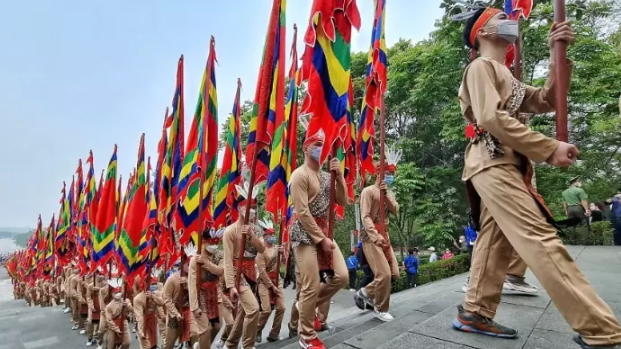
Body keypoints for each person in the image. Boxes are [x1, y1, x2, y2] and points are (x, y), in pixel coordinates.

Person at [453, 5, 621, 348]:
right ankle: (602, 330)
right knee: (539, 237)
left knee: (495, 238)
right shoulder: (480, 67)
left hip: (502, 163)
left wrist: (558, 55)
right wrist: (547, 147)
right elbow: (491, 117)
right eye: (502, 17)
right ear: (483, 32)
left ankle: (474, 311)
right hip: (493, 159)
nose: (511, 21)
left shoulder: (506, 76)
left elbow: (547, 100)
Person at [288, 129, 349, 349]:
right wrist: (320, 239)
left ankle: (303, 305)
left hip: (325, 231)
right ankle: (306, 335)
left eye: (324, 144)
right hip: (304, 234)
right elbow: (302, 212)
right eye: (317, 144)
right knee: (311, 284)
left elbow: (343, 201)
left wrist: (339, 176)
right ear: (306, 147)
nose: (321, 148)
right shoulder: (299, 175)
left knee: (341, 276)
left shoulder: (326, 175)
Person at [357, 146, 401, 322]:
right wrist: (375, 235)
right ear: (378, 174)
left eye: (392, 174)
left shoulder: (388, 192)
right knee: (384, 274)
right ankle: (381, 308)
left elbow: (395, 209)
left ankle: (366, 292)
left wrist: (385, 195)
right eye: (388, 173)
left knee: (394, 273)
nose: (390, 177)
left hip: (386, 234)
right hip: (371, 237)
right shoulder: (368, 192)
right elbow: (365, 216)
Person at [222, 181, 265, 349]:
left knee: (242, 313)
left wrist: (252, 236)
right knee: (253, 309)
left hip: (252, 273)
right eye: (248, 206)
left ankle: (230, 344)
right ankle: (248, 345)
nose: (252, 210)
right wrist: (231, 285)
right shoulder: (230, 231)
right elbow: (227, 260)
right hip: (237, 273)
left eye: (254, 206)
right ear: (240, 207)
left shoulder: (257, 229)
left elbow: (261, 249)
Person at [189, 227, 225, 349]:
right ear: (204, 241)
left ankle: (202, 345)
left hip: (215, 294)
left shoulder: (220, 255)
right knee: (205, 329)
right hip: (201, 295)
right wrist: (194, 307)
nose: (214, 245)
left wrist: (207, 264)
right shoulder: (195, 260)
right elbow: (192, 284)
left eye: (216, 241)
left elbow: (221, 271)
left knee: (218, 326)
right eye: (211, 241)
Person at [255, 218, 285, 344]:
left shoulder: (277, 247)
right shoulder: (261, 250)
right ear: (265, 236)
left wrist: (282, 254)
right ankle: (257, 329)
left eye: (273, 234)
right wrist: (271, 286)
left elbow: (282, 264)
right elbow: (261, 271)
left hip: (277, 279)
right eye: (270, 235)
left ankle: (274, 333)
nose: (272, 237)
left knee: (281, 308)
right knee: (266, 310)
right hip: (264, 282)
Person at [162, 257, 191, 349]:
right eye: (188, 264)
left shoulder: (195, 278)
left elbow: (200, 294)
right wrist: (175, 313)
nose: (190, 266)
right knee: (169, 344)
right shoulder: (172, 279)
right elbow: (166, 298)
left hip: (190, 313)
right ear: (182, 265)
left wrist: (189, 283)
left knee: (193, 341)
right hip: (175, 314)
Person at [134, 269, 165, 349]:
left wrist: (152, 296)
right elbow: (140, 317)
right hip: (143, 323)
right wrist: (141, 331)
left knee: (153, 345)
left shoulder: (154, 293)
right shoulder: (138, 299)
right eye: (150, 283)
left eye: (153, 283)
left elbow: (161, 303)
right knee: (146, 346)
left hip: (153, 322)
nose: (152, 285)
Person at [105, 276, 132, 349]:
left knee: (127, 342)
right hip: (113, 326)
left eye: (119, 292)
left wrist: (127, 306)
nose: (118, 294)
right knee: (111, 345)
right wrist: (116, 329)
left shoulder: (126, 300)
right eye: (115, 292)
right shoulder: (109, 306)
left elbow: (131, 310)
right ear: (112, 294)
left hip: (124, 323)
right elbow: (109, 320)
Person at [86, 273, 105, 347]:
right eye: (98, 275)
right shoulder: (91, 285)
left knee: (100, 325)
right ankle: (90, 338)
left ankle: (98, 339)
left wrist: (100, 289)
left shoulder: (105, 284)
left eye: (101, 275)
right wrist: (91, 306)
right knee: (90, 322)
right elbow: (88, 297)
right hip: (93, 306)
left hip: (102, 306)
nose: (99, 276)